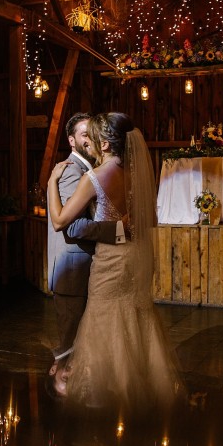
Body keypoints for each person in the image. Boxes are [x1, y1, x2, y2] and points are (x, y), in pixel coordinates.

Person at [47, 112, 182, 414]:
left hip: (110, 258)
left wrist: (50, 184)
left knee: (104, 318)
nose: (91, 143)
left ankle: (110, 389)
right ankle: (141, 382)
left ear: (105, 144)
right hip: (132, 255)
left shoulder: (95, 176)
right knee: (134, 314)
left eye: (94, 138)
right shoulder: (132, 173)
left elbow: (59, 221)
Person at [46, 113, 127, 384]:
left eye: (92, 134)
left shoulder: (92, 170)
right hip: (73, 265)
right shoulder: (71, 170)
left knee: (80, 334)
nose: (89, 139)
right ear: (72, 140)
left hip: (88, 263)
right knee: (69, 341)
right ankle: (63, 392)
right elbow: (72, 226)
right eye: (84, 134)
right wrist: (118, 230)